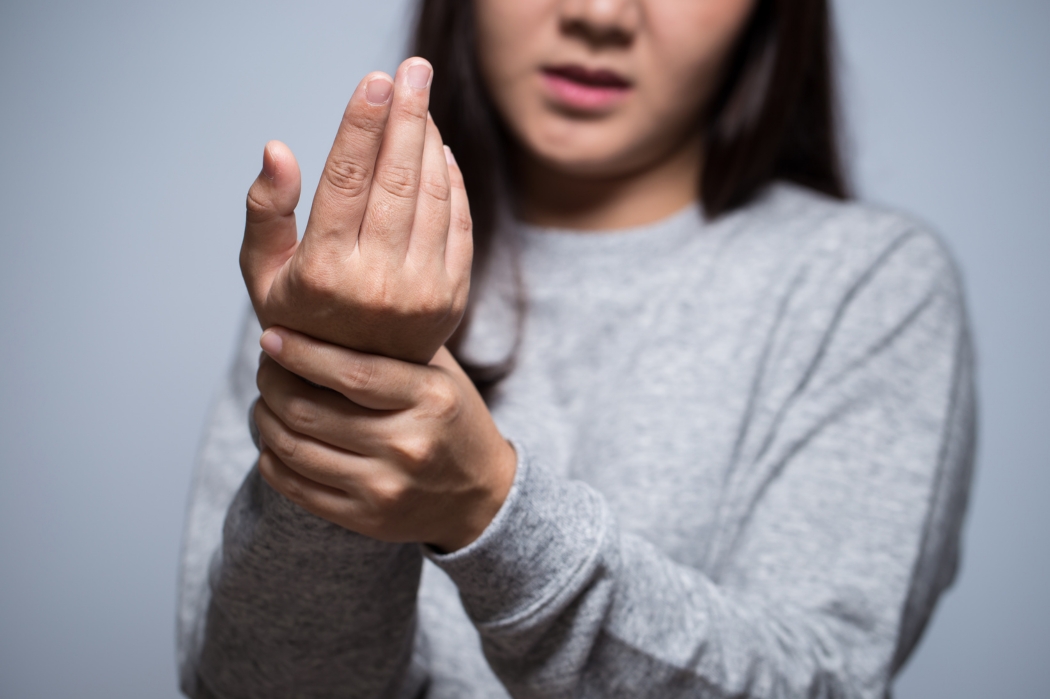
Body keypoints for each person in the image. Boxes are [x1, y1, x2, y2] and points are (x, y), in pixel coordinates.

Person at [177, 0, 976, 696]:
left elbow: (821, 679)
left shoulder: (867, 285)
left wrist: (488, 506)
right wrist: (345, 393)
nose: (599, 13)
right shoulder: (345, 279)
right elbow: (254, 686)